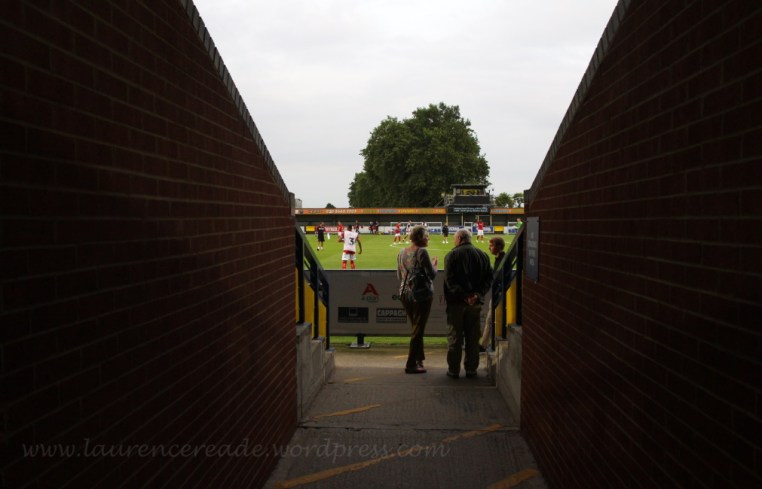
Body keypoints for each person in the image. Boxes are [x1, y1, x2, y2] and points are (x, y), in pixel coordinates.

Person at [443, 229, 492, 379]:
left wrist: (464, 296)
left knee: (455, 337)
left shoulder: (451, 255)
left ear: (459, 238)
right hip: (475, 304)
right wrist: (477, 295)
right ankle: (471, 369)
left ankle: (454, 370)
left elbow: (450, 280)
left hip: (456, 303)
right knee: (473, 337)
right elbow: (489, 279)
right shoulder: (483, 255)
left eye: (454, 238)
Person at [397, 225, 438, 374]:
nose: (428, 238)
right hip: (421, 295)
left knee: (416, 327)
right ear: (420, 237)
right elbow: (432, 275)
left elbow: (399, 275)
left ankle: (419, 358)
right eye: (426, 236)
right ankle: (411, 363)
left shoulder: (402, 251)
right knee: (418, 329)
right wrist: (434, 266)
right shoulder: (422, 252)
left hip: (404, 294)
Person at [480, 236, 507, 350]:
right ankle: (485, 344)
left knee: (490, 320)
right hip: (498, 293)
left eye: (491, 245)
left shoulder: (503, 260)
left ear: (499, 247)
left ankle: (484, 345)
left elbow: (500, 277)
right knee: (490, 320)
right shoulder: (500, 259)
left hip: (499, 294)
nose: (489, 248)